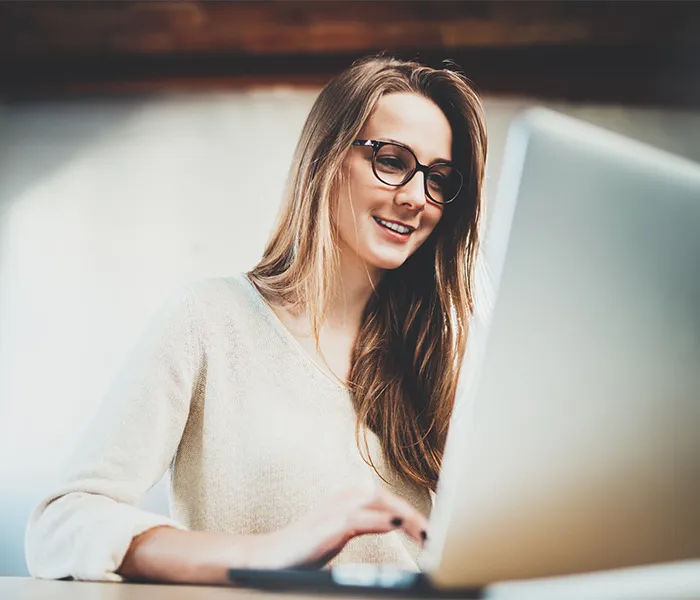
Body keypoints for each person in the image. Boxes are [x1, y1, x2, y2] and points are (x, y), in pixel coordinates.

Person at [25, 55, 488, 585]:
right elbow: (62, 526)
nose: (414, 198)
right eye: (392, 160)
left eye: (438, 178)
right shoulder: (209, 321)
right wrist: (271, 552)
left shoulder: (438, 355)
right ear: (327, 157)